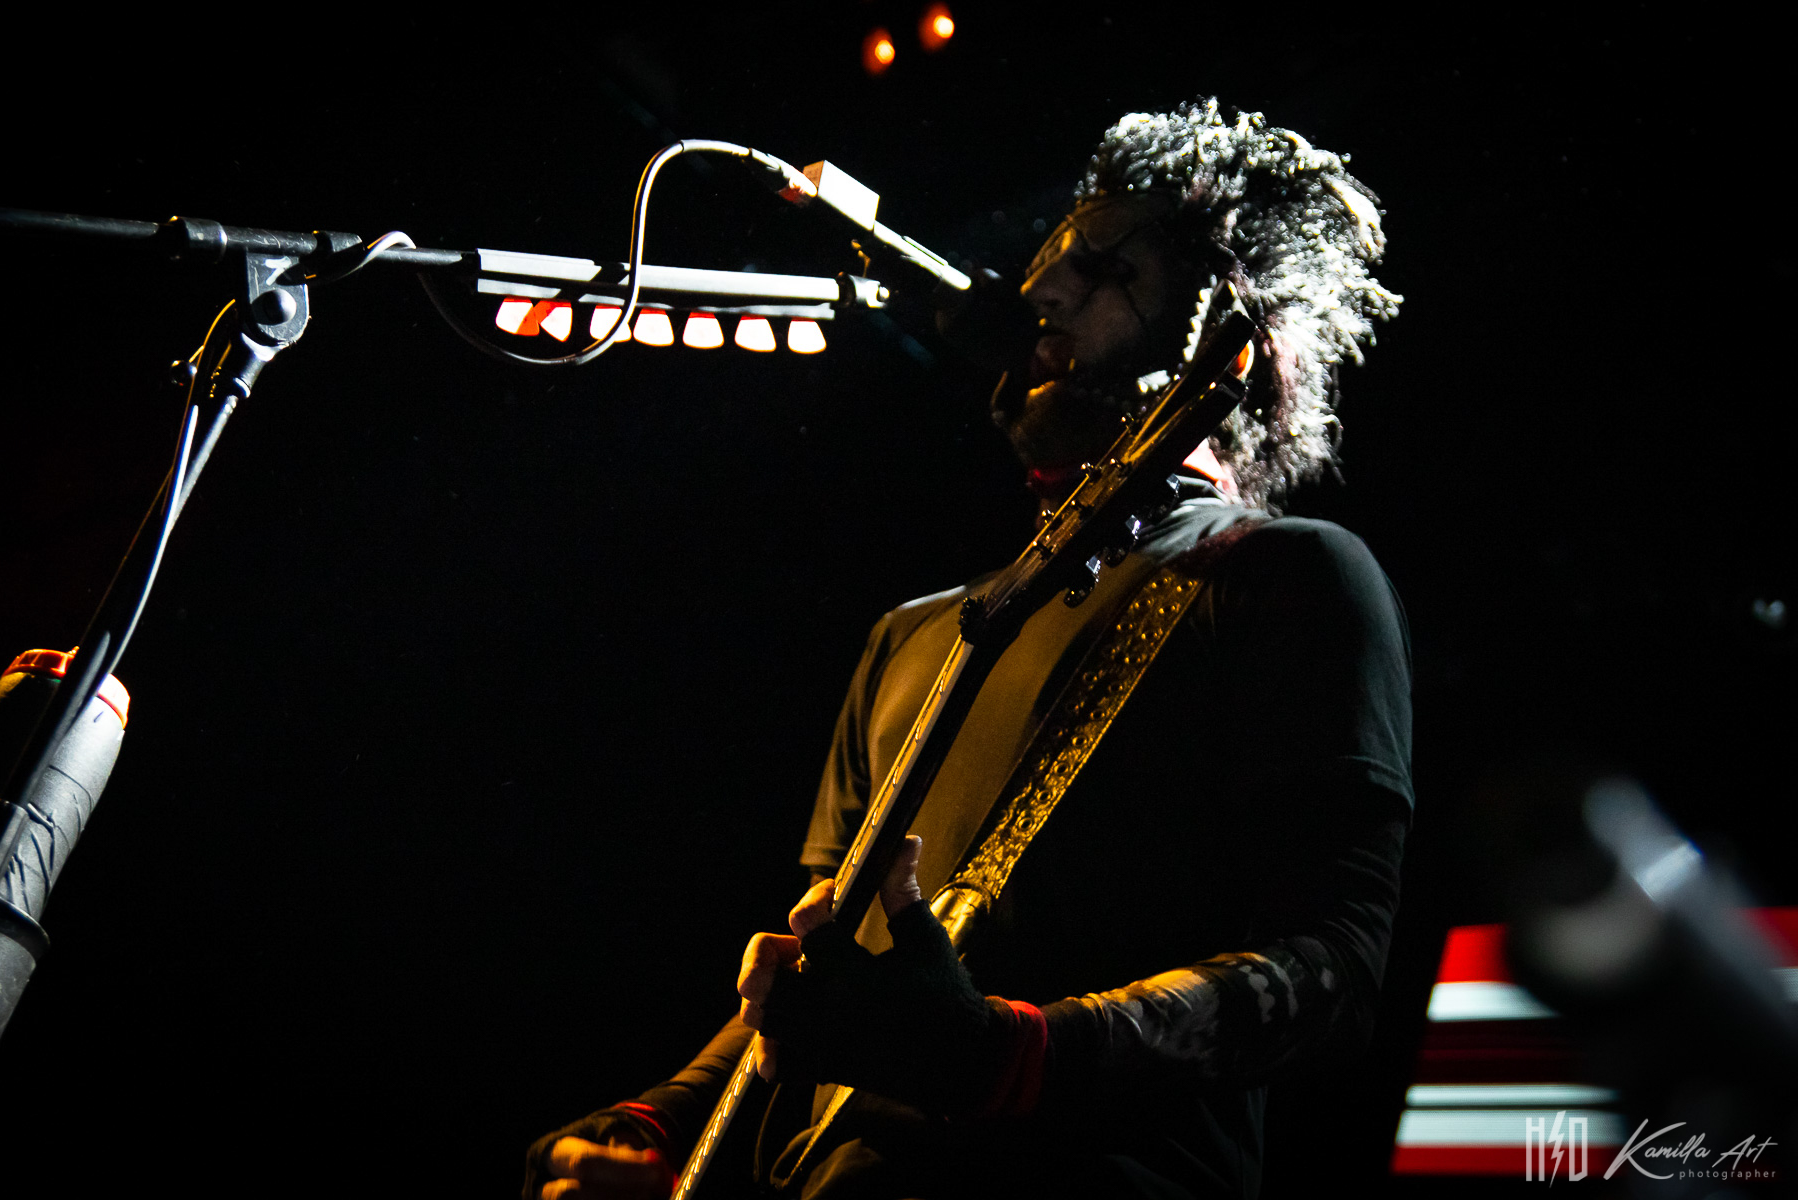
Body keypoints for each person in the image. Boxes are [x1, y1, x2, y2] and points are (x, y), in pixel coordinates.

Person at [525, 97, 1411, 1200]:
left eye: (1105, 270)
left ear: (1221, 328)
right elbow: (830, 976)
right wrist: (660, 1121)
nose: (1046, 293)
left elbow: (1334, 976)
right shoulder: (911, 637)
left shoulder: (1284, 573)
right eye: (1049, 266)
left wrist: (1005, 1056)